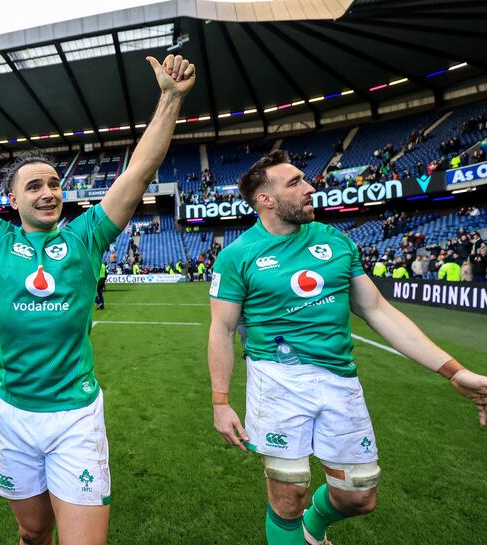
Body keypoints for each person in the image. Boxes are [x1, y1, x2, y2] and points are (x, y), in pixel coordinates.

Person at [0, 53, 195, 545]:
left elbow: (138, 172)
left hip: (74, 415)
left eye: (54, 184)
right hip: (12, 412)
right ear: (12, 200)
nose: (49, 192)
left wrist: (171, 99)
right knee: (32, 534)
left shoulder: (87, 235)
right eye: (34, 186)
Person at [207, 150, 487, 545]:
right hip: (276, 380)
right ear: (265, 200)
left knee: (359, 494)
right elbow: (221, 330)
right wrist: (220, 401)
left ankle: (313, 528)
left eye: (305, 179)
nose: (310, 187)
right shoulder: (237, 256)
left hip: (340, 380)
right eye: (295, 183)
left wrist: (454, 371)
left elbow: (377, 310)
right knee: (289, 493)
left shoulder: (335, 241)